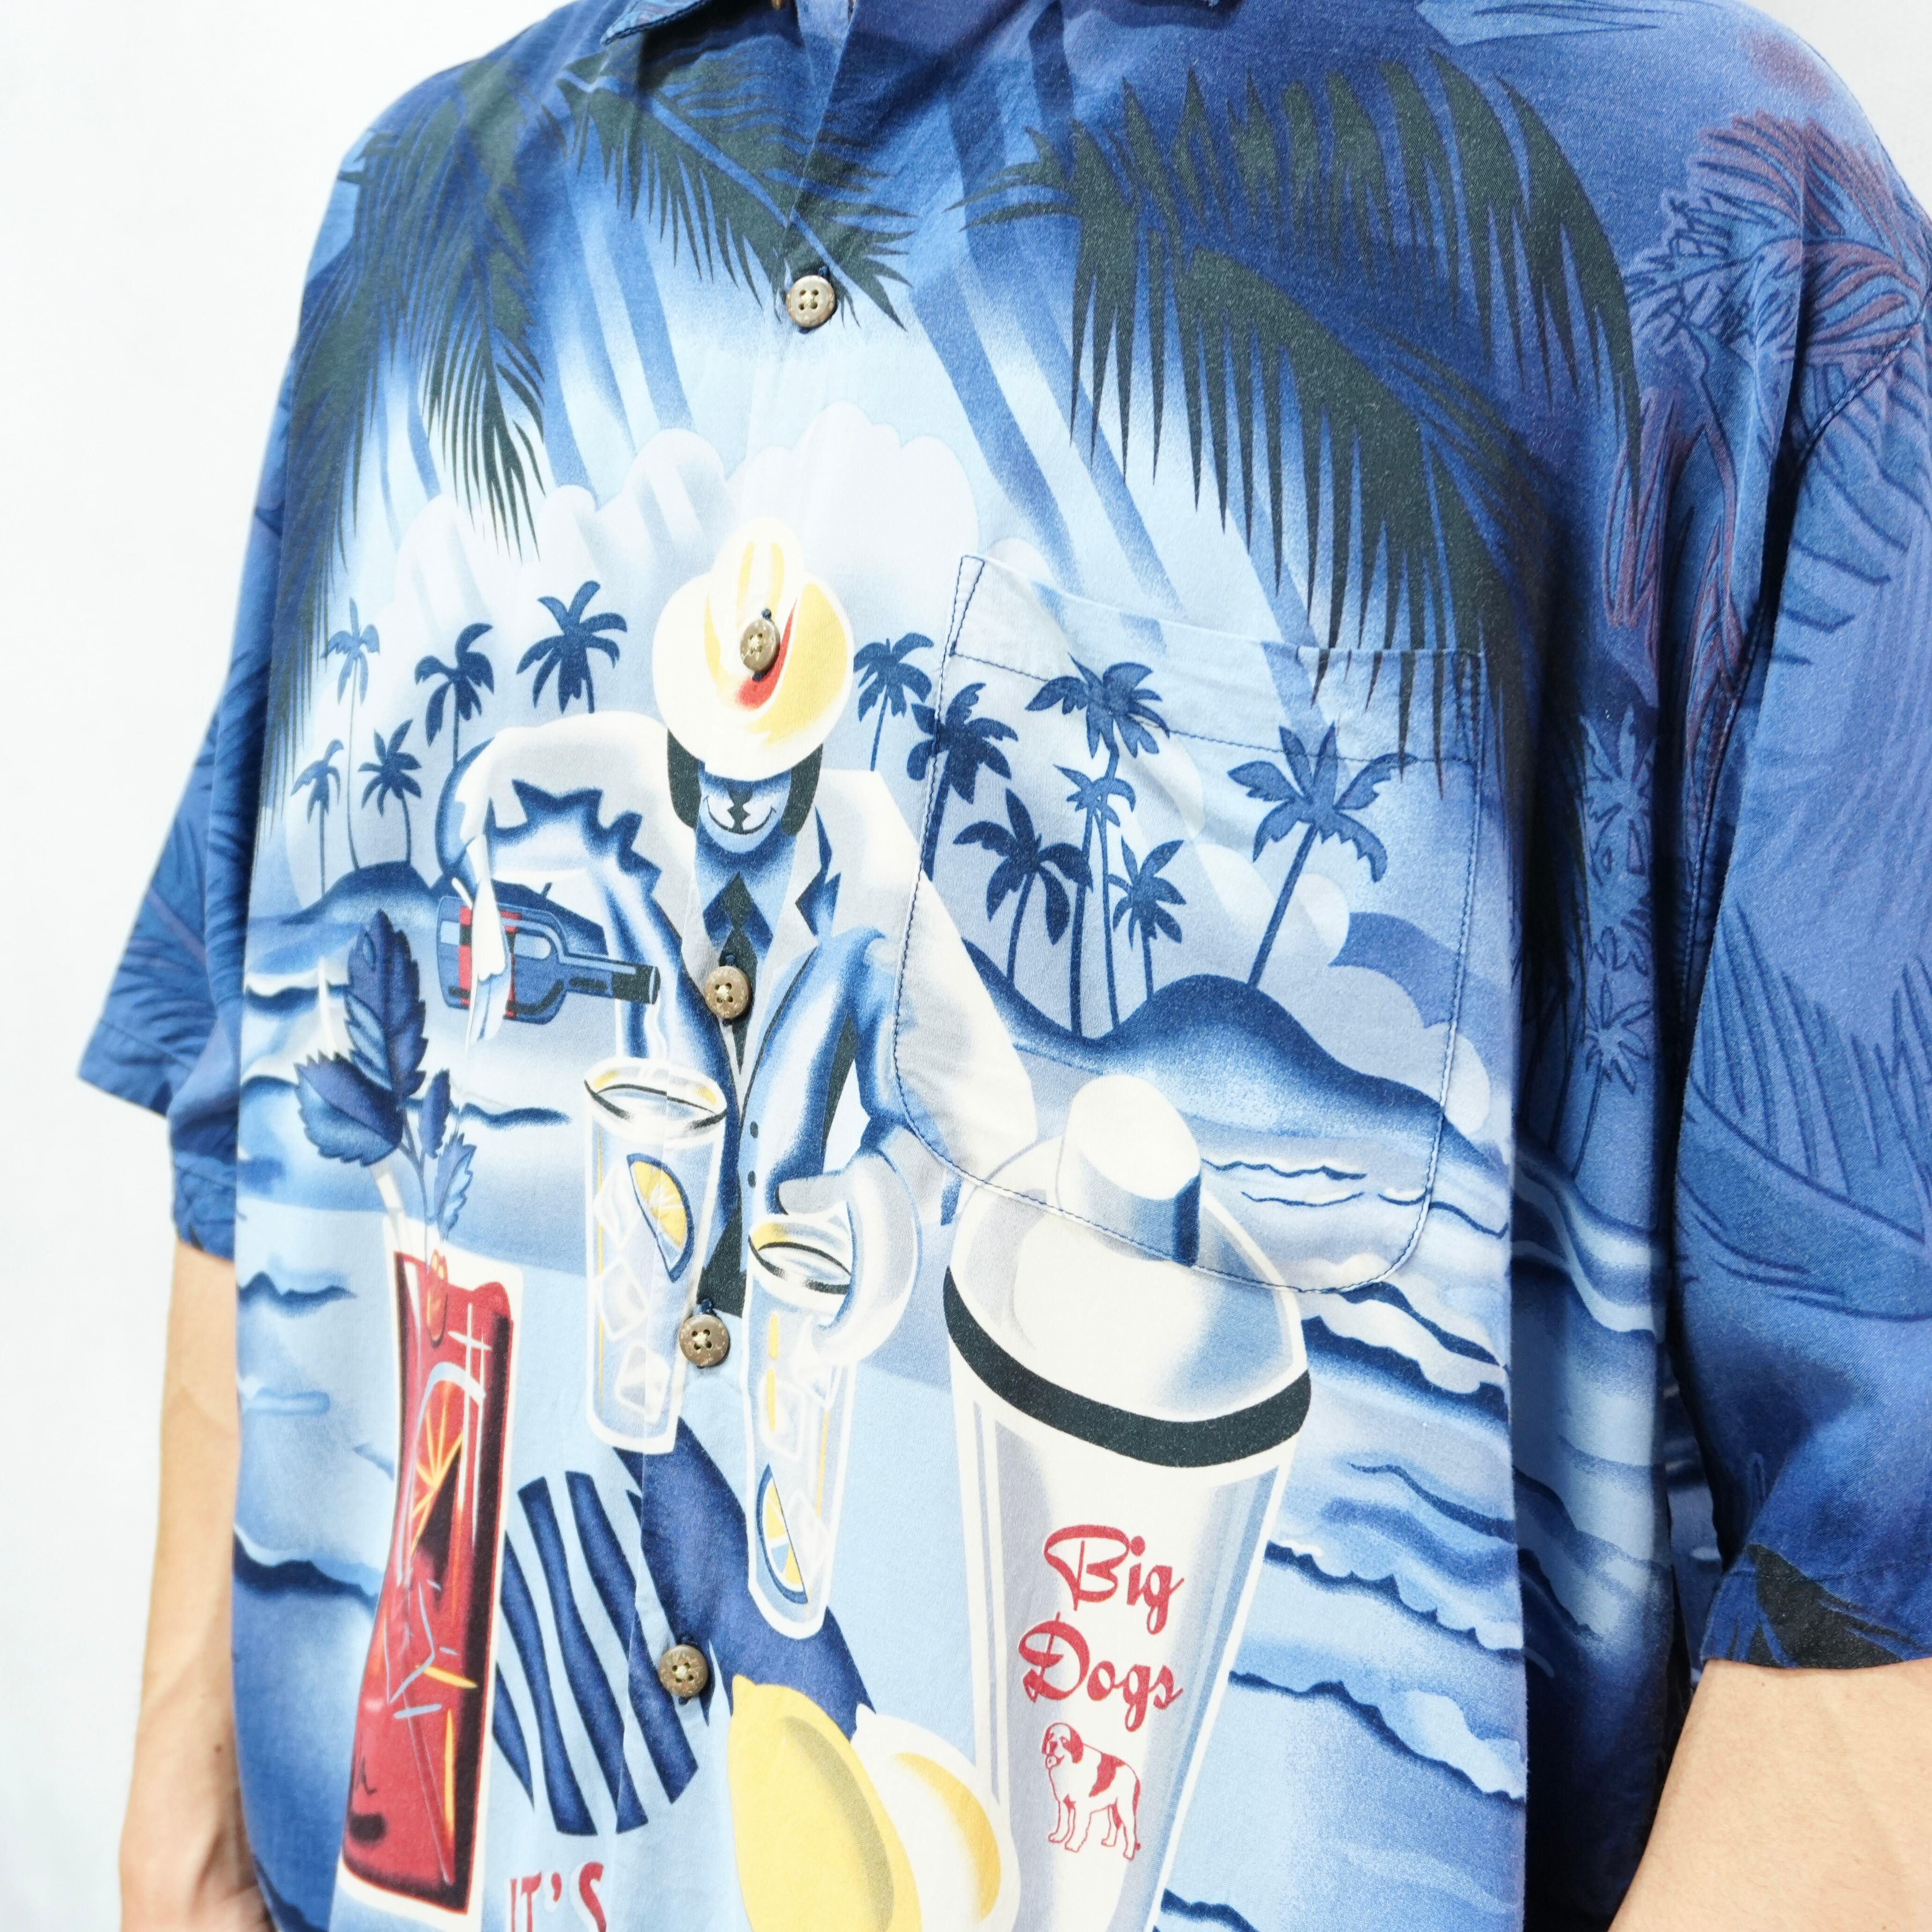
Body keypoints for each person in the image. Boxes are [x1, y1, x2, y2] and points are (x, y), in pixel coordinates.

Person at [82, 2, 1932, 1928]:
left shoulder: (1706, 226)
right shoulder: (424, 207)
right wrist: (187, 1820)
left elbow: (1877, 1564)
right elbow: (251, 1092)